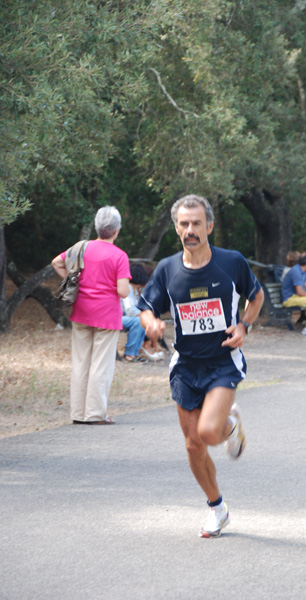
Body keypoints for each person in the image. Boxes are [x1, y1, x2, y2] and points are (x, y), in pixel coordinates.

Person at [137, 194, 265, 538]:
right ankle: (217, 509)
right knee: (194, 445)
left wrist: (243, 326)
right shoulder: (167, 269)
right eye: (183, 224)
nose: (190, 230)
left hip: (222, 360)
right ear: (176, 228)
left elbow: (257, 296)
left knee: (209, 433)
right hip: (186, 365)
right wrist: (150, 322)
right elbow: (146, 306)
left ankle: (229, 424)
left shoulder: (231, 262)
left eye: (196, 223)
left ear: (209, 226)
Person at [51, 206, 131, 424]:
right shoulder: (119, 256)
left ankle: (78, 414)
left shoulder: (81, 247)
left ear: (98, 228)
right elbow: (123, 290)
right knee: (100, 365)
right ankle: (95, 414)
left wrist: (73, 280)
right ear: (116, 231)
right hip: (107, 316)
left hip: (81, 312)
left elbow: (56, 262)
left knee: (80, 363)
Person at [121, 263, 163, 362]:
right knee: (138, 321)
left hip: (123, 317)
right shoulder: (129, 288)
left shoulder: (134, 290)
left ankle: (136, 352)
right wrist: (145, 316)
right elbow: (130, 310)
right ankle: (130, 353)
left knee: (142, 321)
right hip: (117, 317)